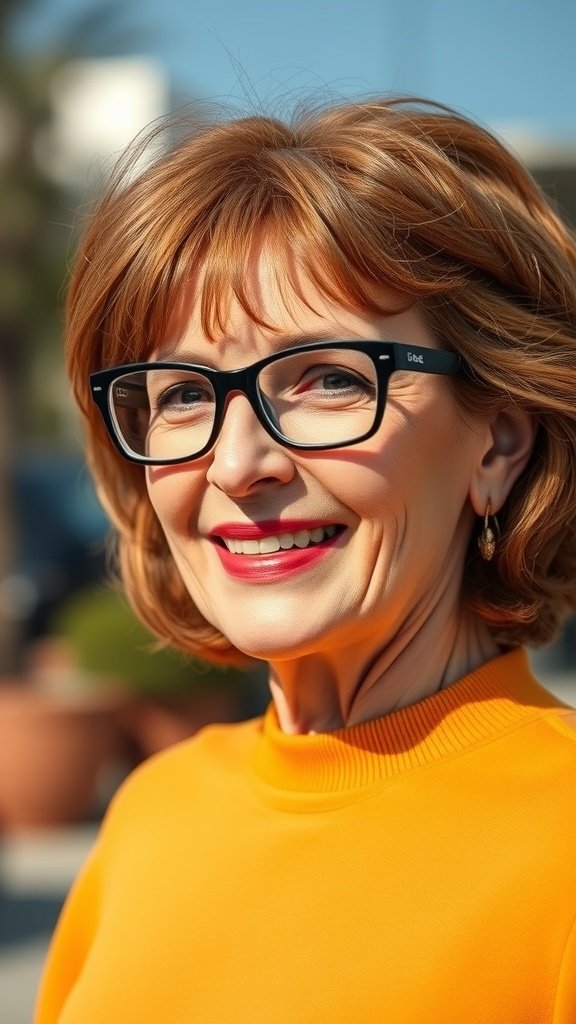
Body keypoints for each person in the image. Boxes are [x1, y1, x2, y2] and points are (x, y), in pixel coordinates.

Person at [36, 96, 576, 1023]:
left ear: (498, 445)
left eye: (329, 378)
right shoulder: (151, 813)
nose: (238, 464)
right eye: (179, 395)